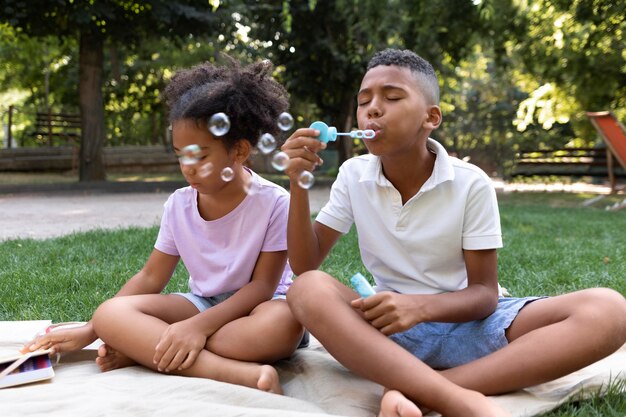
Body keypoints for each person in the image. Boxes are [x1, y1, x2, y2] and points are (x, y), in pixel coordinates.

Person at [281, 48, 626, 417]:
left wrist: (419, 307)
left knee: (609, 310)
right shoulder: (353, 175)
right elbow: (305, 263)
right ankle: (454, 397)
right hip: (387, 332)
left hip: (469, 325)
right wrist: (298, 185)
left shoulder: (469, 183)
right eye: (364, 101)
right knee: (307, 289)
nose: (373, 109)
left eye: (392, 97)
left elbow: (484, 295)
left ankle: (424, 393)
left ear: (431, 117)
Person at [23, 57, 306, 394]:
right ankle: (232, 372)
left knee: (279, 327)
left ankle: (150, 349)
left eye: (199, 156)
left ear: (240, 151)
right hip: (205, 302)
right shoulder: (179, 204)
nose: (188, 167)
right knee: (111, 314)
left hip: (263, 307)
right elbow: (151, 277)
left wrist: (193, 329)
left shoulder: (273, 201)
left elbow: (261, 287)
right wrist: (91, 329)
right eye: (179, 154)